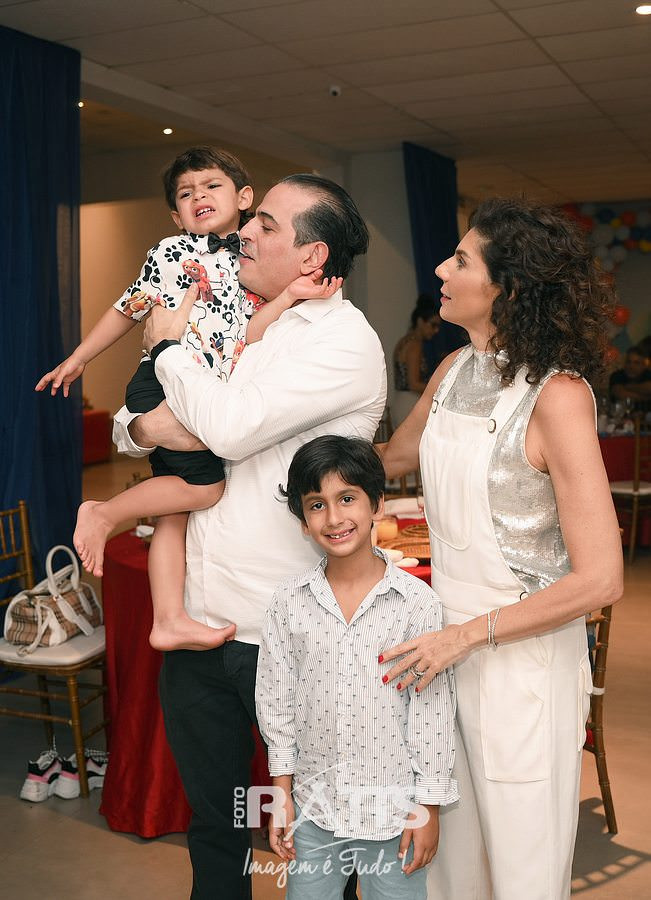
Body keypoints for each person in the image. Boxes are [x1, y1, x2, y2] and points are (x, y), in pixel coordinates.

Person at [112, 174, 387, 899]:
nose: (244, 233)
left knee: (322, 829)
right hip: (203, 621)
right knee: (216, 824)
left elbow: (226, 428)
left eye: (265, 224)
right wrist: (144, 426)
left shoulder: (343, 344)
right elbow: (133, 424)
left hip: (290, 633)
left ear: (312, 254)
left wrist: (168, 349)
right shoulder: (249, 318)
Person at [379, 198, 624, 900]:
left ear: (507, 289)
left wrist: (466, 636)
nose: (439, 269)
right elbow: (391, 458)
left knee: (521, 867)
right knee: (450, 863)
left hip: (520, 661)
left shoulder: (559, 396)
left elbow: (601, 579)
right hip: (442, 650)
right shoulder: (453, 367)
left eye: (460, 260)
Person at [35, 147, 339, 652]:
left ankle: (168, 619)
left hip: (200, 390)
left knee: (173, 510)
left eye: (212, 185)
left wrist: (288, 297)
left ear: (244, 197)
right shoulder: (171, 252)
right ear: (176, 216)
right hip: (162, 381)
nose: (199, 195)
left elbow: (250, 336)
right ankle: (103, 513)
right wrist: (79, 357)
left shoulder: (253, 264)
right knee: (205, 489)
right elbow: (127, 309)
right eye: (186, 192)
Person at [256, 435, 458, 899]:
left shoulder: (417, 605)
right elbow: (275, 700)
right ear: (303, 521)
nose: (334, 517)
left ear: (377, 505)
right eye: (317, 505)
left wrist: (428, 807)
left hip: (394, 815)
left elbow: (431, 714)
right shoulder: (289, 602)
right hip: (315, 811)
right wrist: (281, 792)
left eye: (347, 498)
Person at [392, 294, 441, 425]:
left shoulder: (404, 341)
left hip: (400, 400)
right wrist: (439, 390)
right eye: (433, 325)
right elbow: (414, 384)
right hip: (410, 403)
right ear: (420, 321)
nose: (436, 330)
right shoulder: (415, 345)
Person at [609, 345, 651, 409]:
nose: (631, 366)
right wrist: (646, 397)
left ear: (643, 365)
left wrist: (628, 387)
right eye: (629, 362)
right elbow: (620, 394)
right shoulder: (617, 375)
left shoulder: (648, 374)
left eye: (636, 363)